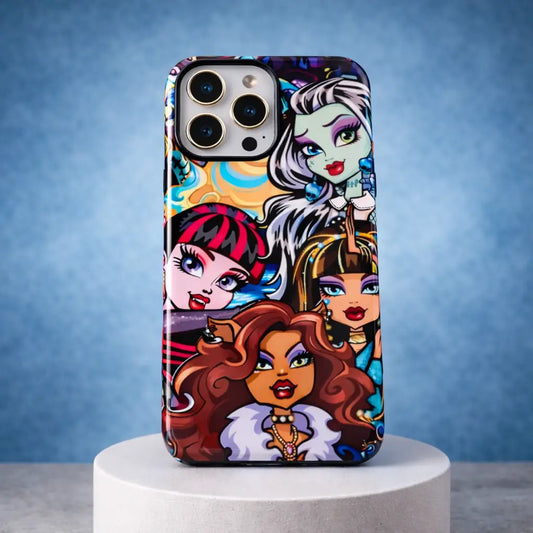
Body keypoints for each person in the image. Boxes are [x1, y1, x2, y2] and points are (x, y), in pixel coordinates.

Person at [164, 301, 377, 463]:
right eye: (263, 364)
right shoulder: (231, 433)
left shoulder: (329, 427)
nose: (282, 372)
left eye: (299, 360)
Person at [260, 77, 376, 298]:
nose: (329, 157)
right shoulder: (299, 218)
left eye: (346, 135)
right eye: (312, 149)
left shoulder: (369, 201)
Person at [290, 221, 383, 429]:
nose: (354, 300)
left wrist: (376, 356)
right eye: (334, 289)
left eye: (369, 287)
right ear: (314, 292)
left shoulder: (375, 341)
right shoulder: (309, 342)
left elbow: (373, 401)